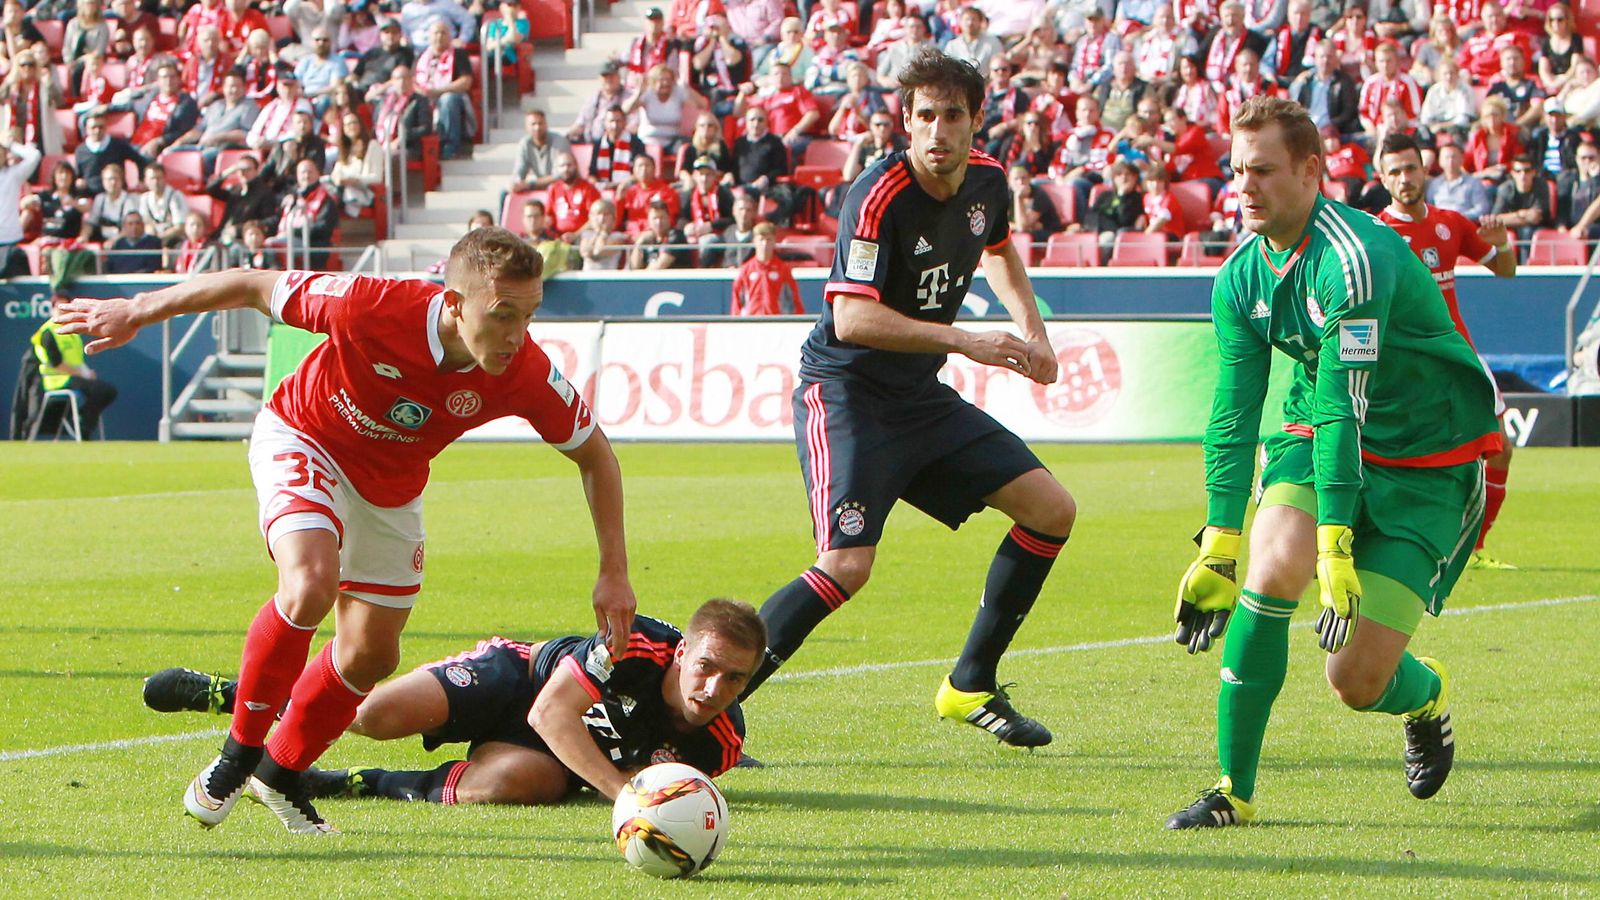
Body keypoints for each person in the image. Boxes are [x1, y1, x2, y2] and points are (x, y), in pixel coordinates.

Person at [54, 226, 638, 835]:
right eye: (503, 315)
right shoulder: (370, 305)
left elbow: (596, 456)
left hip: (389, 486)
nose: (518, 334)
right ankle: (238, 755)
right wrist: (136, 310)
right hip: (305, 437)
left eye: (530, 315)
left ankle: (279, 772)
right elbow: (251, 284)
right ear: (453, 302)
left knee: (371, 654)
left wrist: (614, 572)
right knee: (310, 583)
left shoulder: (524, 370)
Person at [1165, 96, 1500, 830]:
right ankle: (1233, 790)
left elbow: (1348, 404)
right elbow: (1233, 412)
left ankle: (1426, 696)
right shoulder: (1239, 278)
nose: (1244, 187)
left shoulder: (1354, 260)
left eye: (1262, 171)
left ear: (1312, 171)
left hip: (1426, 455)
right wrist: (1219, 541)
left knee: (1354, 680)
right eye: (1236, 170)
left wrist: (1336, 544)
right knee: (1269, 569)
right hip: (1317, 429)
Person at [736, 49, 1075, 753]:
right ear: (906, 120)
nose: (938, 131)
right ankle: (698, 713)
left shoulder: (987, 181)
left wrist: (1034, 333)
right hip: (847, 394)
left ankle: (970, 684)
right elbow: (852, 318)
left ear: (977, 120)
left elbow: (999, 250)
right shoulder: (878, 194)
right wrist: (966, 341)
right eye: (925, 116)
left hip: (918, 397)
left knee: (1051, 510)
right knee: (847, 566)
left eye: (953, 115)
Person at [142, 600, 760, 805]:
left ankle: (348, 784)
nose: (713, 689)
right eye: (705, 667)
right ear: (682, 652)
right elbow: (550, 712)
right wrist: (625, 794)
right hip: (515, 681)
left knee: (510, 787)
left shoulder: (721, 743)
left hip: (548, 752)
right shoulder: (633, 644)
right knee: (371, 715)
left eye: (734, 679)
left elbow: (664, 784)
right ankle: (242, 696)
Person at [1376, 133, 1520, 570]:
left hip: (1458, 355)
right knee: (1403, 460)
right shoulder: (1376, 234)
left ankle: (1475, 548)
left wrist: (1503, 243)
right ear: (1383, 179)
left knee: (1501, 448)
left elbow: (1506, 270)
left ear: (1425, 171)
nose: (1405, 178)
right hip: (1406, 365)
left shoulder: (1451, 224)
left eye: (1411, 168)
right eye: (1395, 171)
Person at [31, 292, 117, 436]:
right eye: (59, 307)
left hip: (74, 377)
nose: (62, 311)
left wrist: (87, 372)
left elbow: (76, 360)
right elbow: (57, 364)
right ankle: (81, 424)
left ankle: (82, 424)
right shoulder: (48, 332)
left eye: (65, 308)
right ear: (52, 309)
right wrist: (83, 374)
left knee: (107, 391)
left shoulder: (73, 333)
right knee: (101, 390)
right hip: (57, 380)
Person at [413, 21, 475, 160]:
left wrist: (438, 91)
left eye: (443, 33)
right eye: (436, 33)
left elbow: (466, 82)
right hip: (425, 96)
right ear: (429, 36)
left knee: (448, 99)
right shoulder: (421, 57)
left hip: (452, 97)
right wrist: (423, 93)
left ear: (450, 36)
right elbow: (412, 81)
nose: (439, 36)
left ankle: (450, 147)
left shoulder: (458, 54)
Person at [729, 222, 801, 314]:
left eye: (768, 240)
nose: (765, 244)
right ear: (754, 241)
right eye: (761, 240)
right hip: (751, 320)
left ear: (774, 241)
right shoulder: (746, 269)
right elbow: (737, 300)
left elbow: (794, 299)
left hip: (776, 320)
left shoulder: (783, 269)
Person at [1492, 153, 1552, 250]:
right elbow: (1496, 219)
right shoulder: (1505, 188)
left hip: (1538, 227)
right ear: (1513, 173)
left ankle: (1526, 261)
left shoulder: (1541, 186)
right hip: (1512, 226)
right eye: (1518, 171)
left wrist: (1510, 218)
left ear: (1533, 172)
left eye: (1527, 171)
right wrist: (1521, 214)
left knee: (1526, 231)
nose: (1523, 175)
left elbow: (1535, 217)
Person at [1427, 141, 1491, 219]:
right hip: (1440, 223)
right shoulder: (1434, 184)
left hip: (1463, 222)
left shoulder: (1474, 183)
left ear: (1462, 159)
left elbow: (1482, 209)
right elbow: (1429, 208)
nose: (1450, 161)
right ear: (1440, 161)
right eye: (1447, 157)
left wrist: (1458, 217)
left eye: (1454, 157)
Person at [511, 109, 569, 192]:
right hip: (538, 187)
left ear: (546, 125)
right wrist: (516, 182)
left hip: (561, 188)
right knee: (505, 194)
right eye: (533, 124)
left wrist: (530, 184)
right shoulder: (525, 143)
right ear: (526, 127)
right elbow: (519, 168)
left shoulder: (559, 141)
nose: (537, 128)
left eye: (540, 123)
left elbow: (561, 174)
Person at [628, 198, 690, 269]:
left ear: (668, 218)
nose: (658, 222)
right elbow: (634, 267)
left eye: (662, 218)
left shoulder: (676, 236)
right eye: (655, 218)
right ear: (649, 220)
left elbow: (659, 266)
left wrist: (642, 274)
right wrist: (639, 243)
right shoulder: (647, 240)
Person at [105, 209, 161, 274]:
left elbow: (154, 267)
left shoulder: (154, 242)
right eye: (130, 224)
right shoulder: (118, 244)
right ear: (124, 227)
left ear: (143, 225)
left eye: (137, 223)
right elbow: (111, 268)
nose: (134, 227)